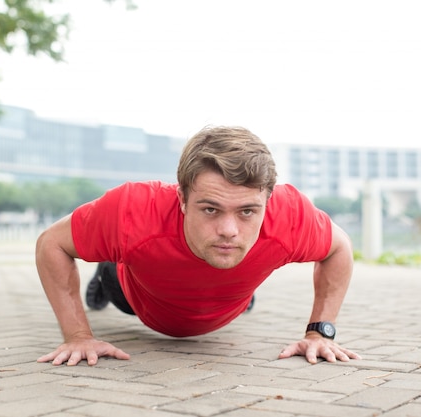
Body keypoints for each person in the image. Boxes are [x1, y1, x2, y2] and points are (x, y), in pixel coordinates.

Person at [35, 126, 361, 367]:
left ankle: (242, 293)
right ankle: (105, 275)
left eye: (247, 211)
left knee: (233, 265)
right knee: (113, 266)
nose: (229, 230)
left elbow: (340, 248)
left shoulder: (290, 215)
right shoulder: (133, 211)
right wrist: (77, 336)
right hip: (137, 297)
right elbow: (52, 243)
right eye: (210, 209)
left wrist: (320, 333)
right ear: (181, 199)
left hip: (227, 303)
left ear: (268, 200)